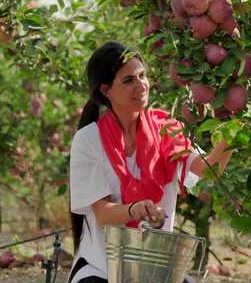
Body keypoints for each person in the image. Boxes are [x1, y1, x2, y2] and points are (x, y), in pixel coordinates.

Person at [67, 41, 233, 283]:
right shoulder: (89, 140)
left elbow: (208, 169)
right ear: (105, 90)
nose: (141, 85)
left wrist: (232, 132)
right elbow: (102, 213)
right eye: (128, 80)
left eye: (142, 76)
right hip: (103, 268)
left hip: (155, 267)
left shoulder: (167, 130)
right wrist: (135, 209)